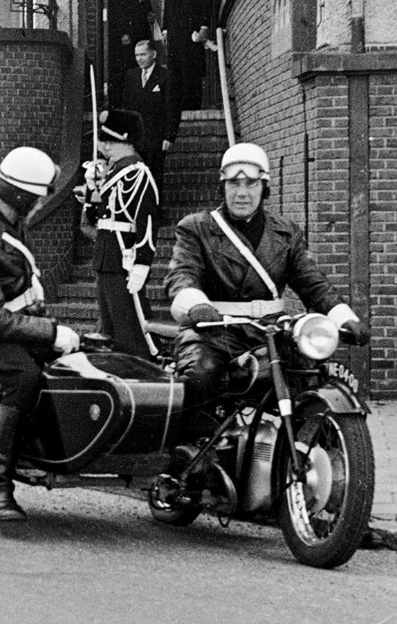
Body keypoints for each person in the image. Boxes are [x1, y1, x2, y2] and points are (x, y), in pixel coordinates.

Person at [164, 143, 370, 438]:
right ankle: (195, 455)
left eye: (251, 184)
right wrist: (195, 305)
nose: (242, 193)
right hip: (214, 330)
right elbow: (182, 274)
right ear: (223, 186)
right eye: (234, 183)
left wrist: (342, 316)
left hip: (269, 332)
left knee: (309, 373)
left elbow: (312, 281)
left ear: (264, 187)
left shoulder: (285, 232)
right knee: (200, 375)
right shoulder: (197, 228)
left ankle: (306, 444)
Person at [0, 147, 81, 521]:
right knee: (24, 376)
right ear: (22, 197)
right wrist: (49, 333)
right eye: (38, 199)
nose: (40, 206)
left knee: (78, 361)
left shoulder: (5, 219)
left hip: (11, 325)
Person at [78, 110, 159, 358]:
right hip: (106, 257)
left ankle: (139, 370)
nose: (105, 146)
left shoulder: (138, 174)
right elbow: (96, 219)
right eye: (105, 141)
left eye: (112, 141)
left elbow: (146, 220)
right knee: (110, 327)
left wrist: (143, 262)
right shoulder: (112, 174)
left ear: (128, 142)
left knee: (129, 329)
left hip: (124, 260)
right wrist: (92, 190)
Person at [117, 37, 180, 202]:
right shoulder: (131, 76)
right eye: (137, 55)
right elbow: (126, 107)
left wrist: (169, 136)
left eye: (143, 54)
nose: (139, 59)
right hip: (135, 139)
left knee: (154, 177)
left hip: (156, 138)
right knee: (134, 176)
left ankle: (154, 214)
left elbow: (172, 109)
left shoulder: (165, 76)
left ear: (153, 54)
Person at [160, 0, 214, 111]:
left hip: (192, 30)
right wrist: (165, 29)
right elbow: (168, 5)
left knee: (192, 67)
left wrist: (204, 26)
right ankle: (177, 107)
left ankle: (193, 106)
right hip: (175, 31)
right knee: (174, 68)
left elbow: (206, 1)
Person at [107, 0, 153, 97]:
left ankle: (140, 97)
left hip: (142, 31)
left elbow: (146, 5)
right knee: (126, 64)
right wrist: (123, 32)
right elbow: (117, 10)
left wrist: (150, 14)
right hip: (127, 33)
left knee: (142, 63)